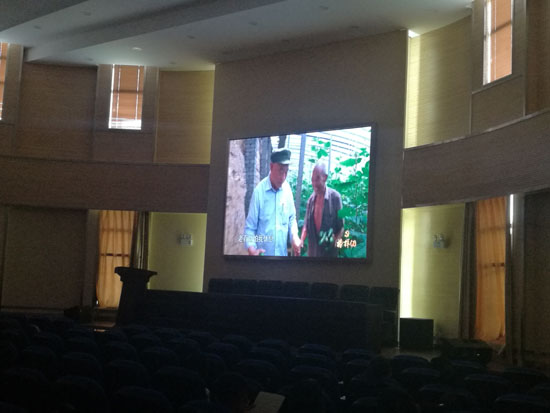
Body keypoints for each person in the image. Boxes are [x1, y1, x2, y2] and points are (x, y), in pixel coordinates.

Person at [244, 148, 301, 256]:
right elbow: (250, 228)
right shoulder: (259, 192)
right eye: (280, 171)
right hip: (263, 260)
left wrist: (294, 236)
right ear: (271, 167)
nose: (283, 177)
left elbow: (291, 218)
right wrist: (252, 249)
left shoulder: (287, 190)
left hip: (282, 257)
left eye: (286, 172)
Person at [300, 160, 344, 257]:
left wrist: (336, 241)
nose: (314, 183)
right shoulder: (310, 201)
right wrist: (301, 240)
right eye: (312, 180)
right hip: (312, 254)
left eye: (317, 179)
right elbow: (306, 225)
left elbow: (341, 227)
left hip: (329, 256)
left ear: (325, 178)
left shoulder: (335, 198)